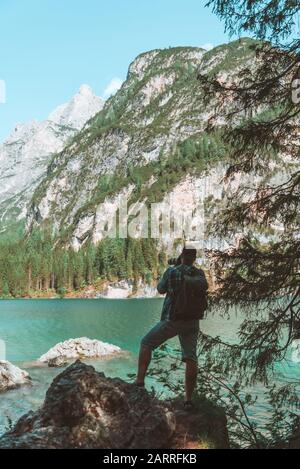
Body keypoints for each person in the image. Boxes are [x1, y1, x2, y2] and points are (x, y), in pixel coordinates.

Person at [135, 245, 208, 409]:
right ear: (194, 258)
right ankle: (188, 400)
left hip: (173, 319)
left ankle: (139, 382)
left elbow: (160, 289)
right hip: (192, 321)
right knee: (191, 358)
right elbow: (204, 286)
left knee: (146, 343)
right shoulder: (199, 274)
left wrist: (172, 269)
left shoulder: (172, 271)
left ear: (182, 255)